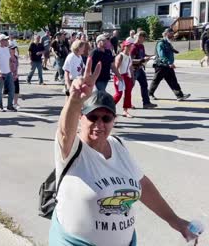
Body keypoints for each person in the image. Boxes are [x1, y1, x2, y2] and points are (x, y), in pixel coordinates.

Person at [50, 63, 198, 246]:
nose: (99, 124)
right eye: (92, 117)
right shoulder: (72, 149)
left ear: (114, 120)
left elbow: (142, 184)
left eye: (106, 118)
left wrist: (174, 220)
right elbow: (65, 132)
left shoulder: (118, 145)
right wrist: (74, 100)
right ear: (81, 117)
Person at [149, 28, 191, 101]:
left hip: (168, 66)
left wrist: (175, 51)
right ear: (166, 34)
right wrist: (169, 63)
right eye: (171, 33)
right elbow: (161, 55)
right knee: (156, 81)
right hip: (161, 65)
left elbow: (170, 49)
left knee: (173, 81)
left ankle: (179, 95)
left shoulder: (168, 43)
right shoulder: (161, 43)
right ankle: (149, 94)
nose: (172, 35)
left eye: (172, 33)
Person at [129, 31, 157, 109]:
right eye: (144, 38)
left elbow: (143, 55)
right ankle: (128, 103)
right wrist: (142, 60)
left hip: (140, 69)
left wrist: (151, 56)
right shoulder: (133, 47)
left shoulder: (141, 46)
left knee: (144, 85)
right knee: (130, 87)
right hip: (133, 70)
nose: (144, 40)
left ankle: (146, 103)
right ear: (140, 37)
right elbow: (131, 60)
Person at [0, 34, 17, 112]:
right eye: (5, 40)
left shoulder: (7, 49)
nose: (7, 41)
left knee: (12, 89)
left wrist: (13, 71)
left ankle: (10, 106)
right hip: (0, 73)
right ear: (1, 41)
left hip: (8, 72)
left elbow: (10, 61)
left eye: (7, 40)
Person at [113, 41, 135, 118]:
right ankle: (109, 106)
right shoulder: (120, 56)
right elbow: (116, 68)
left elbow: (130, 67)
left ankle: (125, 111)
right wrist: (119, 78)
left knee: (128, 93)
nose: (129, 47)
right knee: (119, 94)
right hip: (119, 76)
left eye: (130, 46)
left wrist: (132, 77)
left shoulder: (129, 55)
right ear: (124, 47)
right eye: (128, 46)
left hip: (126, 75)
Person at [9, 44, 21, 109]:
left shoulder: (16, 57)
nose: (13, 50)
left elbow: (17, 66)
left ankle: (15, 103)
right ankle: (10, 103)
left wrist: (16, 74)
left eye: (14, 49)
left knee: (16, 90)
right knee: (11, 90)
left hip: (15, 76)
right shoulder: (8, 58)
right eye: (12, 49)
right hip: (9, 76)